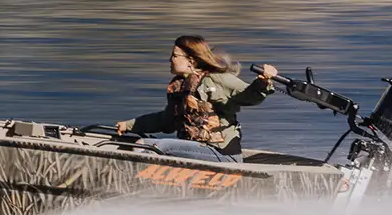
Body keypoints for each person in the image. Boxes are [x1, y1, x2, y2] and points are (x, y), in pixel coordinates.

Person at [115, 36, 277, 161]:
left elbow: (248, 97)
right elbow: (166, 121)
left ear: (190, 61)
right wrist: (129, 125)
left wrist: (262, 82)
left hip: (221, 153)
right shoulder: (178, 87)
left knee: (154, 146)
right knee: (136, 141)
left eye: (174, 56)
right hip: (194, 149)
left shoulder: (216, 79)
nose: (170, 59)